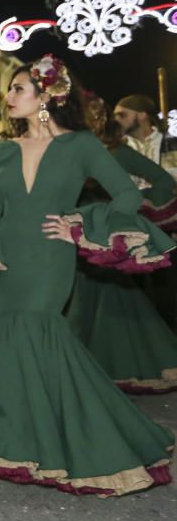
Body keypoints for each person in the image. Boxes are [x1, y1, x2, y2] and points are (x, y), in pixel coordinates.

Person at [0, 55, 174, 496]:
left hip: (50, 258)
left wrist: (79, 223)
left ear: (47, 96)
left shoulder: (81, 145)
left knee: (42, 336)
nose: (9, 97)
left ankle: (80, 445)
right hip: (10, 262)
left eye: (19, 88)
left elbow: (128, 194)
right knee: (6, 339)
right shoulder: (1, 150)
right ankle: (10, 443)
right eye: (12, 90)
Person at [62, 101, 177, 394]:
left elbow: (162, 180)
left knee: (97, 300)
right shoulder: (66, 149)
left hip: (100, 237)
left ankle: (89, 368)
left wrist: (135, 209)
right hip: (67, 236)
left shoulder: (113, 151)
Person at [114, 94, 177, 329]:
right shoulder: (119, 148)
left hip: (169, 230)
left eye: (122, 114)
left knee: (167, 302)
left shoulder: (172, 141)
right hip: (134, 230)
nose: (116, 120)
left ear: (141, 115)